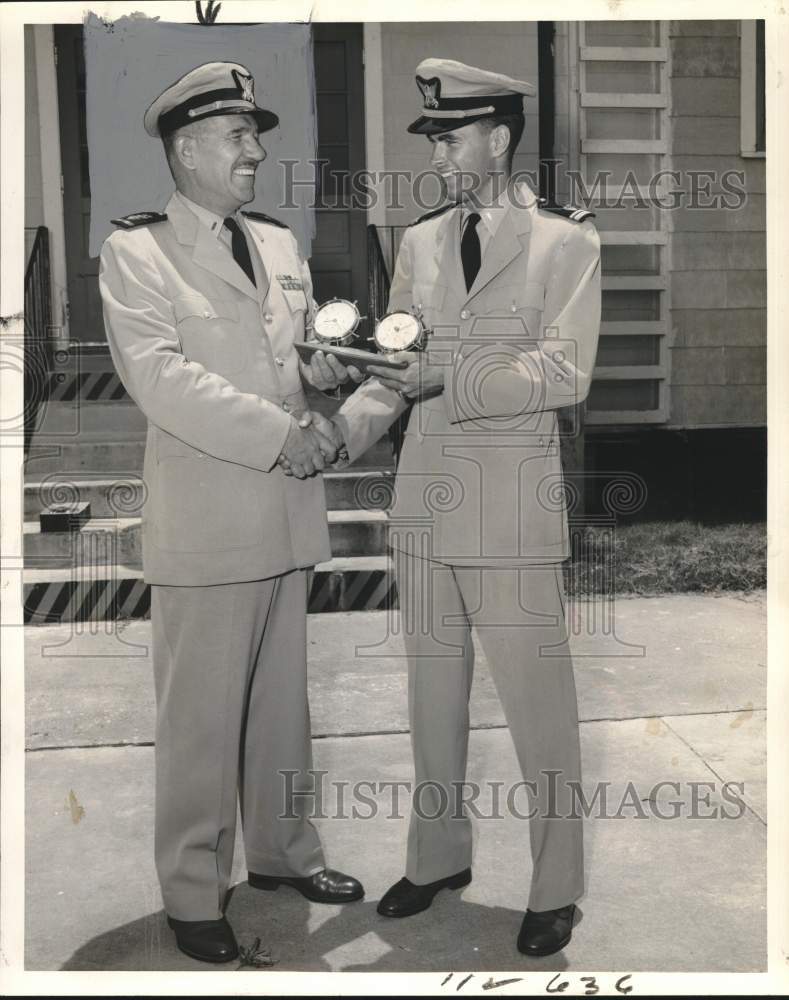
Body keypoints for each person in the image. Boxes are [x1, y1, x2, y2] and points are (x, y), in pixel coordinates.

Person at [327, 58, 601, 957]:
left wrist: (457, 373)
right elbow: (395, 369)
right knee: (429, 701)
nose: (439, 153)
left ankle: (555, 885)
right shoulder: (420, 241)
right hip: (425, 505)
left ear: (499, 137)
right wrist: (334, 437)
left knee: (539, 713)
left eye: (449, 136)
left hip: (512, 511)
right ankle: (437, 855)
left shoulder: (565, 241)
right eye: (434, 138)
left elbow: (564, 372)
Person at [98, 61, 364, 965]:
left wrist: (329, 369)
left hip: (284, 516)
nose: (256, 150)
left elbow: (292, 356)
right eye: (237, 136)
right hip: (211, 517)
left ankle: (285, 856)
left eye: (255, 134)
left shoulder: (278, 244)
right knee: (202, 722)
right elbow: (163, 378)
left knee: (282, 710)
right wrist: (279, 431)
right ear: (185, 148)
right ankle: (192, 891)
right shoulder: (138, 252)